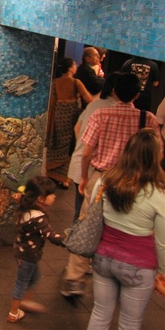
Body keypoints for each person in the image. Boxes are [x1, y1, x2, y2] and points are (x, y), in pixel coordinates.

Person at [61, 73, 161, 297]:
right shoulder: (148, 119)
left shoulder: (101, 114)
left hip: (102, 179)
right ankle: (122, 272)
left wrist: (86, 178)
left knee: (88, 224)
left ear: (114, 91)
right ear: (137, 94)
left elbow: (87, 151)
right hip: (136, 182)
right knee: (126, 227)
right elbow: (158, 152)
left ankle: (74, 278)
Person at [86, 128, 165, 330]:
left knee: (100, 313)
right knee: (130, 323)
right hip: (139, 265)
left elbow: (93, 213)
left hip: (103, 257)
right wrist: (162, 272)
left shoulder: (106, 181)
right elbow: (162, 242)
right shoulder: (158, 194)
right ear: (155, 156)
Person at [8, 176, 65, 323]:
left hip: (21, 251)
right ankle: (14, 312)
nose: (54, 197)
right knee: (22, 281)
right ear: (40, 199)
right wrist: (67, 239)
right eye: (51, 194)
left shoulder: (24, 208)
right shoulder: (38, 218)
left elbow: (18, 196)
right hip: (28, 255)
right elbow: (51, 236)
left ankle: (25, 302)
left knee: (33, 277)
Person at [67, 72, 120, 221]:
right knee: (96, 213)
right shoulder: (115, 109)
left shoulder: (94, 105)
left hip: (80, 161)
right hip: (95, 167)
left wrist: (84, 145)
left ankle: (74, 238)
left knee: (79, 210)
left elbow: (77, 128)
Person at [46, 57, 94, 189]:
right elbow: (88, 99)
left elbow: (52, 101)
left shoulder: (55, 83)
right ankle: (64, 179)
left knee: (58, 144)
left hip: (57, 116)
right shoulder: (75, 82)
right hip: (71, 117)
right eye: (74, 65)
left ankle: (52, 173)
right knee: (69, 146)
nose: (76, 67)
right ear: (70, 68)